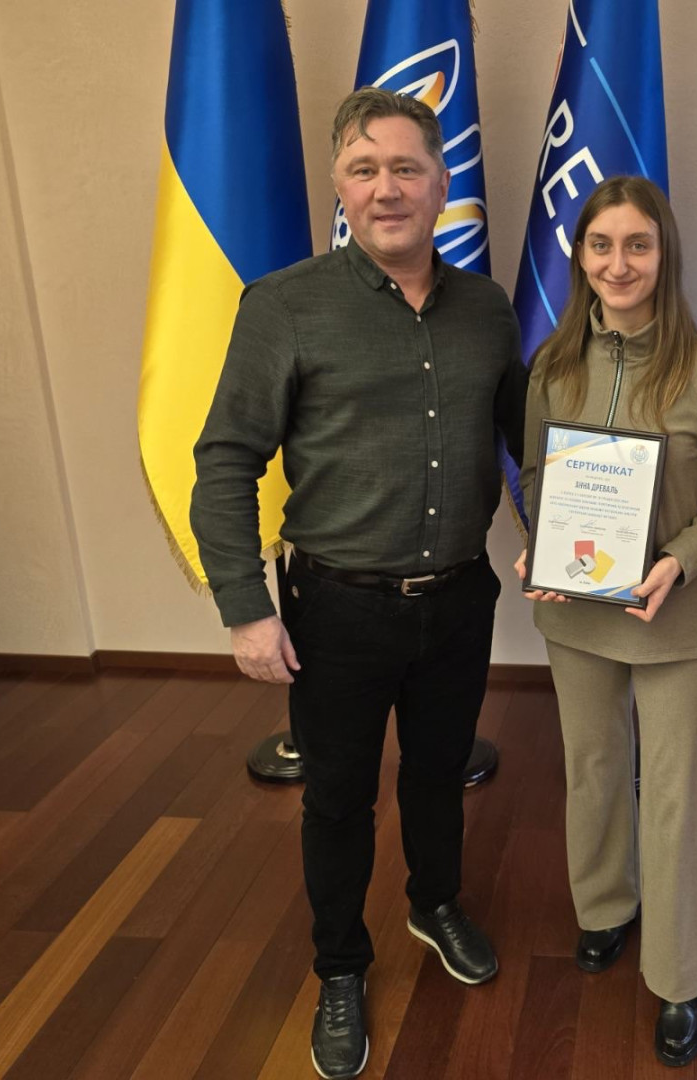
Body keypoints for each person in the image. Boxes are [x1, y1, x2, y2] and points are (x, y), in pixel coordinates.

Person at [191, 88, 527, 1080]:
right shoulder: (284, 305)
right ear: (339, 186)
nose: (387, 188)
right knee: (338, 799)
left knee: (438, 773)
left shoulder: (487, 309)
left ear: (441, 183)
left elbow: (529, 441)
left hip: (459, 598)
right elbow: (225, 461)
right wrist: (246, 610)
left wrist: (574, 539)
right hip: (334, 610)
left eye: (406, 168)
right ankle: (340, 966)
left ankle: (434, 904)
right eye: (364, 169)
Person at [514, 176, 697, 1067]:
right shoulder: (552, 367)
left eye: (638, 245)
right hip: (575, 614)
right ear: (580, 257)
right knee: (592, 768)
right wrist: (540, 545)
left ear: (665, 255)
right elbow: (536, 476)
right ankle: (606, 907)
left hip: (674, 618)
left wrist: (678, 561)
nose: (619, 264)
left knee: (678, 790)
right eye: (602, 245)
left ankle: (681, 973)